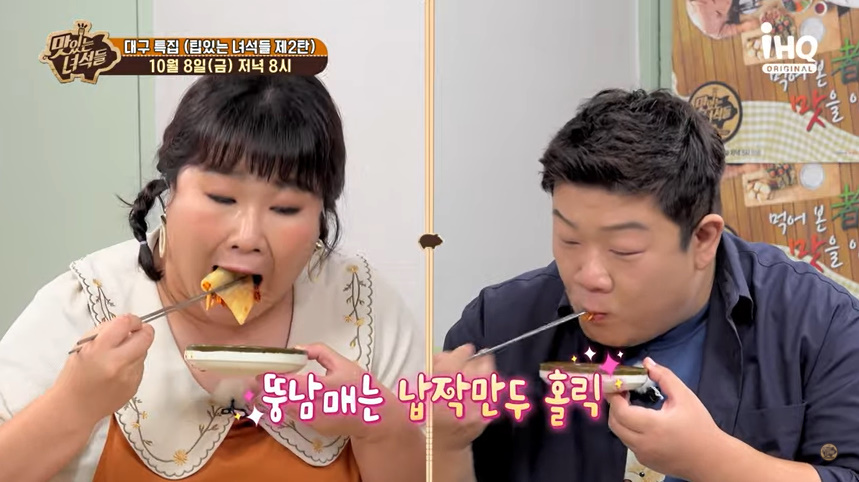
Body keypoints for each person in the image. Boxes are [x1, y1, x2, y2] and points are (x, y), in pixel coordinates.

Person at [0, 74, 425, 482]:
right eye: (221, 198)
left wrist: (378, 424)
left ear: (321, 218)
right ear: (169, 192)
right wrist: (73, 405)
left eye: (285, 209)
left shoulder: (362, 309)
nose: (248, 237)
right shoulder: (87, 303)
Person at [433, 88, 859, 482]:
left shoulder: (819, 324)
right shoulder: (497, 325)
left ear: (702, 239)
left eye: (624, 250)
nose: (588, 276)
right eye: (569, 240)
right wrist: (447, 443)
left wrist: (714, 461)